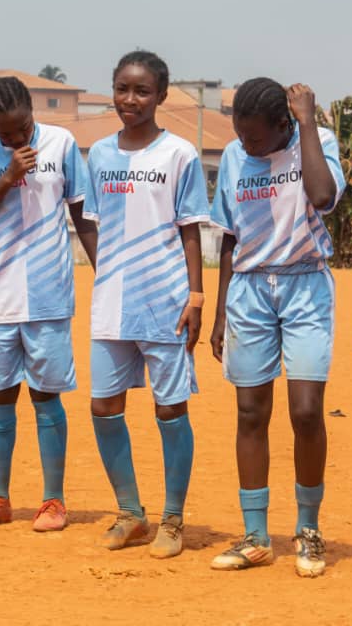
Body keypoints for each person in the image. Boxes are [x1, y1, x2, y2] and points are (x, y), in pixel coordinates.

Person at [206, 78, 345, 577]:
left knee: (306, 412)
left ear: (285, 125)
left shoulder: (317, 142)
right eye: (242, 137)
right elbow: (228, 237)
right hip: (249, 290)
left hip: (305, 285)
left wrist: (308, 123)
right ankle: (256, 535)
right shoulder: (234, 158)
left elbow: (324, 197)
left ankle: (308, 529)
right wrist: (221, 311)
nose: (248, 146)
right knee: (250, 412)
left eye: (258, 139)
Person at [0, 76, 97, 531]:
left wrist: (104, 270)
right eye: (5, 135)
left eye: (23, 129)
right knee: (0, 395)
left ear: (32, 111)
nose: (16, 139)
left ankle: (53, 501)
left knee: (46, 395)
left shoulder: (61, 143)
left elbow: (82, 213)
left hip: (49, 292)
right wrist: (8, 176)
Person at [84, 50, 209, 559]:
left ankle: (173, 519)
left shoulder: (179, 154)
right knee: (104, 407)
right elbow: (94, 224)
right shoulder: (98, 154)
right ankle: (131, 513)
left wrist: (196, 296)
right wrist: (108, 275)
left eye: (141, 91)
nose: (129, 100)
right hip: (112, 303)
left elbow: (191, 230)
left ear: (160, 95)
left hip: (166, 301)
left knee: (169, 408)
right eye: (121, 89)